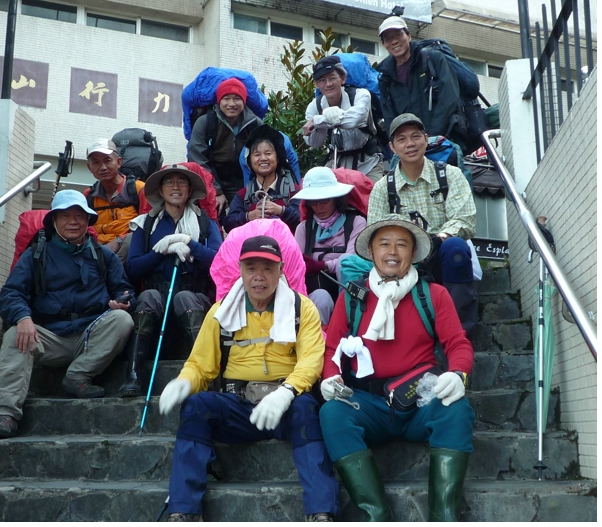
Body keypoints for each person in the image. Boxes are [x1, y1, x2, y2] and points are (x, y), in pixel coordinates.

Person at [158, 235, 340, 522]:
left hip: (286, 404)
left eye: (268, 268)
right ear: (240, 270)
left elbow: (311, 361)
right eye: (251, 268)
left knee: (307, 410)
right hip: (237, 406)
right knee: (195, 407)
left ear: (280, 270)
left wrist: (287, 392)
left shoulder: (300, 308)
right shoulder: (221, 312)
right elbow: (201, 364)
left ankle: (321, 512)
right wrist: (184, 382)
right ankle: (183, 511)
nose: (259, 277)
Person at [319, 215, 475, 521]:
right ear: (372, 251)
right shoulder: (352, 296)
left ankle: (445, 515)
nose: (393, 251)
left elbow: (458, 343)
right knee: (332, 413)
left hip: (420, 400)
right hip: (369, 403)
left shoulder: (433, 295)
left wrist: (458, 374)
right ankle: (376, 514)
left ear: (413, 252)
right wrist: (331, 377)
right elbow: (331, 349)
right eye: (384, 244)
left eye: (402, 244)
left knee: (457, 409)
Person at [0, 190, 136, 439]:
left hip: (91, 333)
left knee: (123, 320)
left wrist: (122, 301)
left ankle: (78, 376)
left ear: (88, 221)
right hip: (48, 335)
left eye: (79, 215)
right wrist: (23, 318)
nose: (73, 221)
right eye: (65, 216)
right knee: (15, 334)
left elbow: (124, 289)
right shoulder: (35, 254)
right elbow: (11, 293)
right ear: (54, 220)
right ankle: (5, 414)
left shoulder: (103, 255)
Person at [367, 113, 478, 331]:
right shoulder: (382, 188)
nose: (410, 144)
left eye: (415, 136)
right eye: (401, 139)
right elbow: (376, 233)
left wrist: (439, 238)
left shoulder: (450, 175)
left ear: (426, 139)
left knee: (456, 248)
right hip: (404, 256)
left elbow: (465, 220)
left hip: (442, 251)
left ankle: (459, 329)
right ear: (391, 147)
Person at [122, 164, 222, 396]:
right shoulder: (145, 224)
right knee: (147, 297)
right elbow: (133, 268)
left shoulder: (205, 223)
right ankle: (133, 375)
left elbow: (219, 262)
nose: (175, 187)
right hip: (157, 301)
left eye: (182, 182)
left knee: (185, 298)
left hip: (193, 298)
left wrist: (190, 243)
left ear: (190, 189)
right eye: (169, 182)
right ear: (160, 189)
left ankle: (205, 375)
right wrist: (161, 251)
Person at [376, 16, 468, 152]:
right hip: (410, 150)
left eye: (398, 35)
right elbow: (391, 119)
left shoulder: (433, 59)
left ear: (408, 36)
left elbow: (449, 99)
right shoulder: (385, 77)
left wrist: (429, 139)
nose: (394, 41)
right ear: (384, 44)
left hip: (444, 142)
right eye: (388, 38)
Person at [291, 167, 367, 326]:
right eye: (313, 201)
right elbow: (296, 266)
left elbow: (351, 261)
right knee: (321, 297)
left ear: (336, 198)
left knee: (345, 261)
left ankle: (350, 324)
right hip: (315, 293)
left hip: (349, 290)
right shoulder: (304, 228)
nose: (319, 206)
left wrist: (322, 265)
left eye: (324, 200)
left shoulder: (357, 222)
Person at [303, 56, 386, 182]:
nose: (328, 84)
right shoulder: (315, 106)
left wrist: (319, 121)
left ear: (343, 78)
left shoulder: (360, 95)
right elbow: (315, 142)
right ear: (316, 84)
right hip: (337, 163)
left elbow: (354, 119)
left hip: (368, 163)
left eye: (332, 78)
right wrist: (321, 122)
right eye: (322, 80)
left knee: (373, 199)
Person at [188, 77, 263, 215]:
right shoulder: (205, 122)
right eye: (226, 98)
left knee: (244, 219)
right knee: (211, 217)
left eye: (237, 98)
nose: (231, 104)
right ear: (219, 101)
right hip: (211, 178)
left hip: (242, 181)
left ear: (244, 101)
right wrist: (215, 191)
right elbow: (197, 159)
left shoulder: (254, 123)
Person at [222, 124, 301, 234]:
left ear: (278, 158)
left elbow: (304, 220)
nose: (263, 158)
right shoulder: (243, 195)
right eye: (257, 154)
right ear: (249, 161)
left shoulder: (293, 191)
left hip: (284, 250)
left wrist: (281, 211)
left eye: (268, 153)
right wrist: (249, 216)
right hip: (251, 249)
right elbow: (228, 224)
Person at [83, 138, 145, 262]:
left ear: (119, 162)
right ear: (89, 167)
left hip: (128, 251)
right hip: (96, 250)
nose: (103, 167)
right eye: (96, 163)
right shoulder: (88, 196)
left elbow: (148, 225)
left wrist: (119, 240)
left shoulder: (139, 189)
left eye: (108, 160)